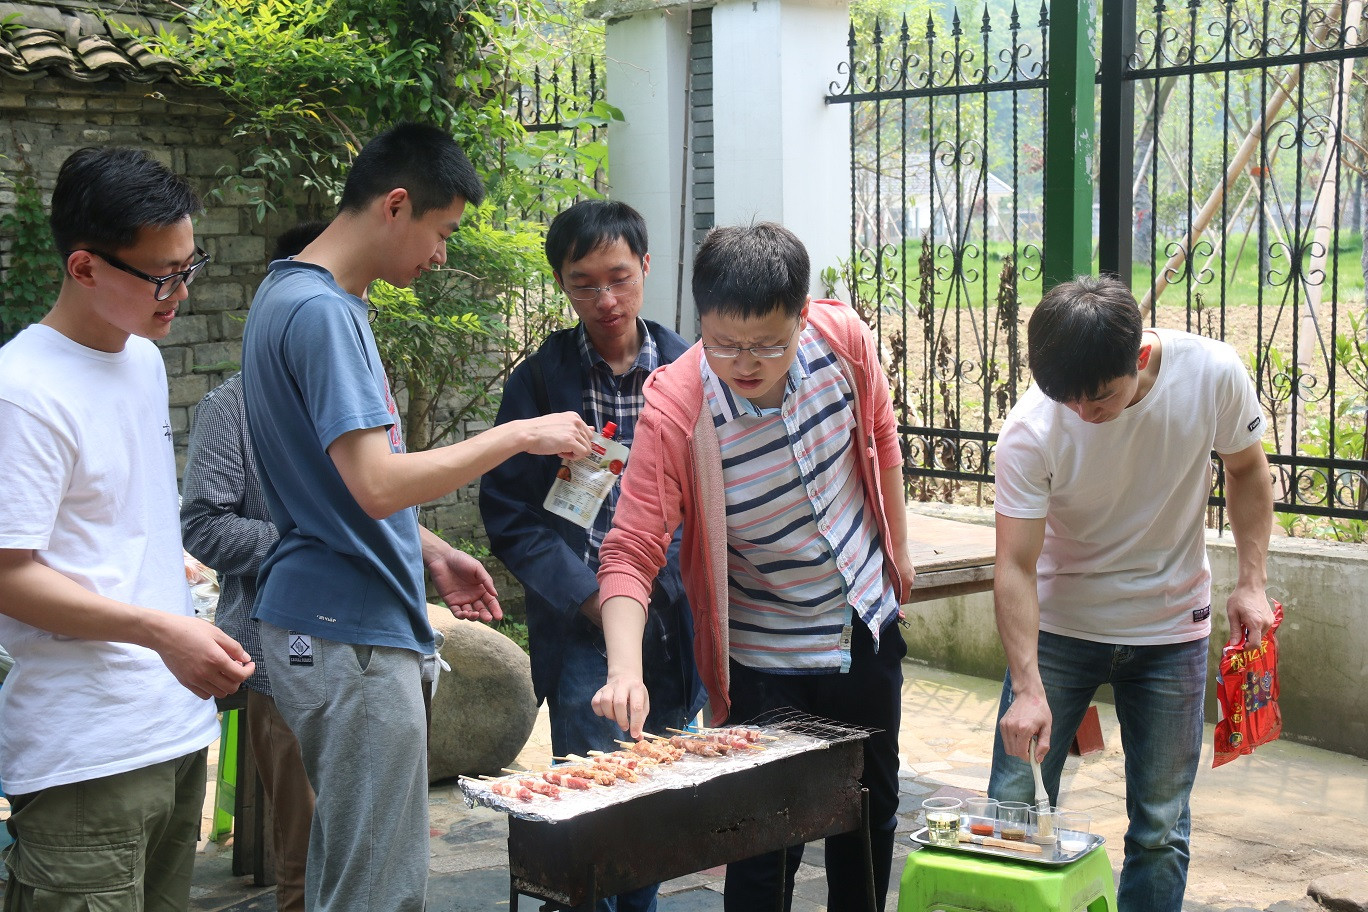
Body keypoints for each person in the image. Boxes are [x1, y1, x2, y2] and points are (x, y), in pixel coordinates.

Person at [240, 122, 594, 912]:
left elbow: (328, 485)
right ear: (396, 205)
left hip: (329, 623)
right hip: (348, 632)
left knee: (352, 874)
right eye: (443, 231)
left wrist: (427, 546)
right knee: (377, 891)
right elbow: (373, 484)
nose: (441, 255)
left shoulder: (290, 294)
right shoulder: (323, 313)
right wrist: (519, 435)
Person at [591, 222, 916, 912]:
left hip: (860, 624)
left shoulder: (842, 342)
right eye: (723, 343)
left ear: (802, 315)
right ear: (700, 322)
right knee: (761, 843)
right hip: (762, 656)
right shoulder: (678, 407)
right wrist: (624, 670)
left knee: (867, 819)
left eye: (768, 344)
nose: (745, 363)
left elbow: (882, 437)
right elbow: (632, 546)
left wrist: (900, 557)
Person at [0, 146, 254, 910]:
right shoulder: (23, 391)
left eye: (189, 266)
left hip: (174, 730)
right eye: (162, 276)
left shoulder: (141, 359)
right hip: (86, 756)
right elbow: (9, 574)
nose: (181, 292)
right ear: (84, 268)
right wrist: (160, 631)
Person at [986, 275, 1274, 912]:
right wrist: (1028, 687)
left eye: (1098, 398)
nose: (1082, 415)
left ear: (1140, 356)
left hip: (1171, 629)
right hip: (1061, 630)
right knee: (1012, 809)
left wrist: (1252, 583)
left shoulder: (1213, 374)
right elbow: (1015, 565)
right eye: (1066, 400)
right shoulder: (1031, 427)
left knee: (1160, 830)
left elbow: (1248, 468)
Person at [479, 200, 705, 912]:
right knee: (589, 803)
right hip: (580, 627)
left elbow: (715, 499)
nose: (605, 299)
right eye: (584, 284)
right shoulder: (539, 383)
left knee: (657, 797)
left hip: (673, 623)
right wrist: (588, 597)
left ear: (645, 266)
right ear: (561, 283)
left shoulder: (692, 370)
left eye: (618, 278)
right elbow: (508, 511)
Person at [178, 220, 330, 912]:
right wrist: (303, 542)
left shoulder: (360, 393)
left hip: (371, 648)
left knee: (366, 849)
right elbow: (203, 525)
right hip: (283, 650)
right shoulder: (232, 406)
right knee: (304, 861)